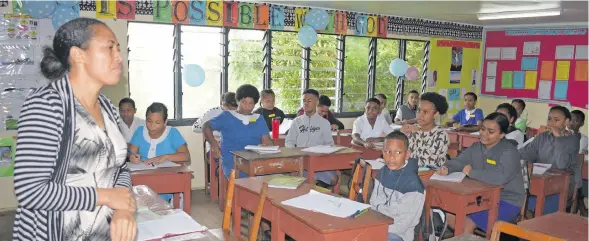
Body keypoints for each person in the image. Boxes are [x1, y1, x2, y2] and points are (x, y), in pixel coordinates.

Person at [12, 18, 136, 241]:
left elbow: (120, 169)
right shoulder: (47, 104)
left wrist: (122, 208)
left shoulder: (108, 107)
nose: (119, 57)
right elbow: (30, 191)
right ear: (79, 55)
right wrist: (106, 196)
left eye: (119, 48)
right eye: (109, 48)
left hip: (102, 232)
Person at [438, 112, 525, 234]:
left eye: (491, 132)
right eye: (483, 129)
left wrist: (471, 172)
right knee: (450, 212)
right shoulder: (476, 147)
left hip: (506, 200)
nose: (484, 134)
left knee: (465, 222)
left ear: (502, 135)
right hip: (481, 197)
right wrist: (447, 168)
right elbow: (460, 161)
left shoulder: (509, 152)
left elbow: (500, 178)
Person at [520, 106, 581, 215]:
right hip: (540, 180)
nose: (551, 123)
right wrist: (526, 162)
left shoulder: (573, 139)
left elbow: (562, 164)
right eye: (549, 119)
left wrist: (558, 137)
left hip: (562, 185)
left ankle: (537, 224)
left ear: (566, 121)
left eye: (556, 120)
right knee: (517, 195)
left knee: (536, 205)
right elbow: (525, 154)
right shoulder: (543, 136)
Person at [203, 84, 273, 178]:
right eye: (244, 102)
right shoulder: (227, 116)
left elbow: (267, 140)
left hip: (253, 160)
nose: (247, 106)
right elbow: (206, 126)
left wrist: (267, 145)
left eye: (251, 103)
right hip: (233, 161)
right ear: (238, 101)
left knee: (272, 174)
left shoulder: (258, 119)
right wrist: (214, 145)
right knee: (249, 179)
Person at [128, 103, 191, 203]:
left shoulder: (172, 133)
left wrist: (166, 157)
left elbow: (186, 156)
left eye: (157, 122)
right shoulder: (140, 131)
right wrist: (132, 157)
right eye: (149, 121)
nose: (152, 126)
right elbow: (131, 153)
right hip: (143, 181)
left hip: (168, 183)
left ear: (165, 122)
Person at [369, 131, 424, 241]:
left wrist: (377, 229)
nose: (391, 157)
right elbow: (373, 203)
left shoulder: (413, 185)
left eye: (398, 152)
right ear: (382, 153)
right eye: (387, 152)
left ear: (407, 154)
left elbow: (402, 225)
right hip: (378, 225)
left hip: (398, 234)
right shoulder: (382, 172)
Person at [286, 89, 335, 187]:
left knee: (334, 179)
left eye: (309, 101)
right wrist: (295, 155)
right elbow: (289, 142)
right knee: (304, 182)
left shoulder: (324, 123)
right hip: (301, 163)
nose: (306, 103)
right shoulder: (296, 122)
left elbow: (330, 144)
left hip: (319, 162)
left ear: (316, 102)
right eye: (304, 101)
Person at [401, 92, 450, 168]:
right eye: (419, 110)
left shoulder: (441, 135)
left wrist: (416, 134)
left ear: (436, 114)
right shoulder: (412, 129)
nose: (420, 115)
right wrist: (402, 135)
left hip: (431, 175)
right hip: (409, 172)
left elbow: (428, 162)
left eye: (425, 112)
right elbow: (400, 154)